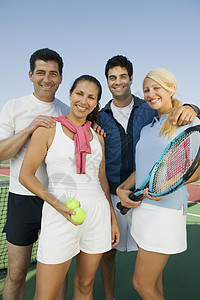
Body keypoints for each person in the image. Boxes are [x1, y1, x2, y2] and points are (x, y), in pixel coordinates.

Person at [99, 55, 200, 300]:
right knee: (152, 283)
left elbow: (193, 168)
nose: (151, 93)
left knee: (141, 284)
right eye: (147, 90)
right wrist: (123, 188)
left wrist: (167, 185)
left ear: (172, 89)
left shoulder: (187, 122)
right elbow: (145, 168)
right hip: (143, 209)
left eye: (157, 88)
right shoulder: (148, 127)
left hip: (165, 211)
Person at [19, 74, 120, 300]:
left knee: (85, 286)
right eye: (79, 93)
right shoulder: (47, 129)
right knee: (46, 294)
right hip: (58, 215)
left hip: (96, 215)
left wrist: (112, 219)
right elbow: (26, 175)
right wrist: (58, 205)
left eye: (91, 97)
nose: (84, 101)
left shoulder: (98, 137)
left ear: (96, 103)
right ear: (70, 94)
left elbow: (102, 180)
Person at [0, 48, 70, 300]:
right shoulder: (14, 106)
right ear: (31, 75)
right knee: (17, 272)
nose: (46, 79)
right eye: (41, 72)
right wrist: (30, 129)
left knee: (57, 271)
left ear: (61, 78)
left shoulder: (67, 111)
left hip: (58, 201)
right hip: (22, 200)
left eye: (53, 73)